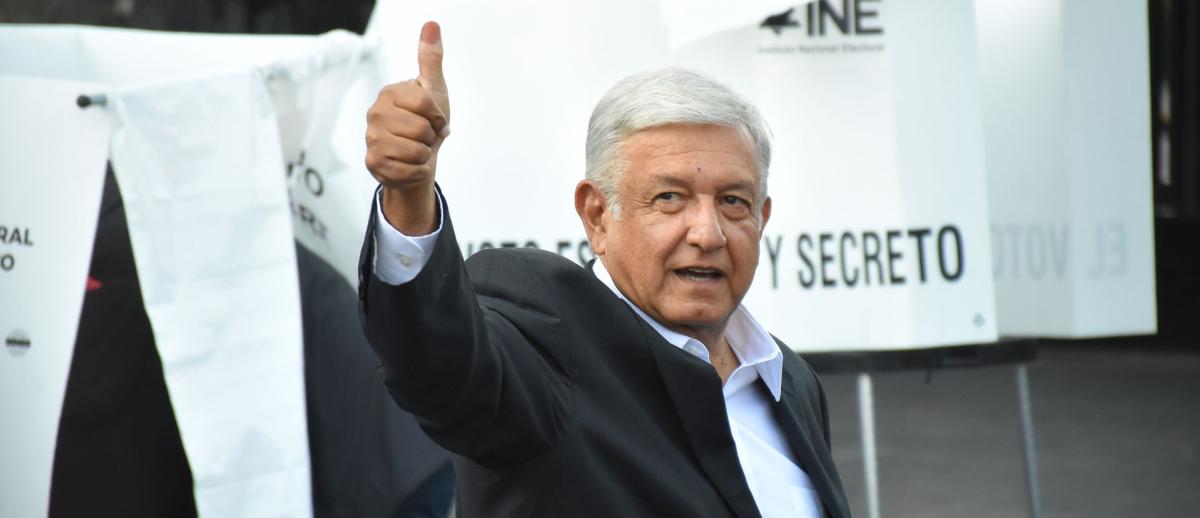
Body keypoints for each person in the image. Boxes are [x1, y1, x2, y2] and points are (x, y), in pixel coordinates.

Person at [358, 21, 850, 517]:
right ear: (597, 216)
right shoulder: (548, 340)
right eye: (670, 198)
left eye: (732, 201)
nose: (708, 233)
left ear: (761, 218)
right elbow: (439, 366)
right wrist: (409, 198)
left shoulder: (789, 382)